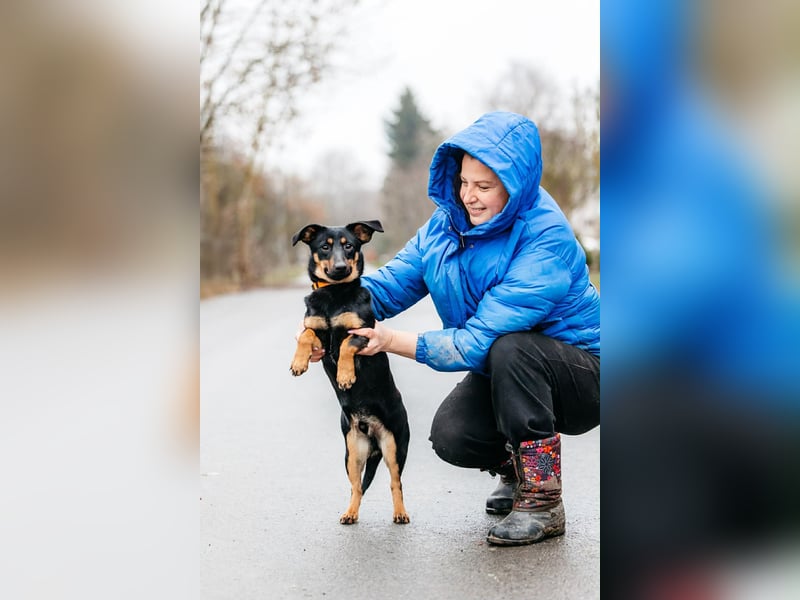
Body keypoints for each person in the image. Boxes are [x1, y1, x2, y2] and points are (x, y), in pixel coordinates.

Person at [310, 111, 600, 546]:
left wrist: (390, 341)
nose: (469, 196)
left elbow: (478, 342)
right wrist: (328, 319)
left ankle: (543, 500)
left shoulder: (545, 239)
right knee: (452, 434)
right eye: (464, 182)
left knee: (512, 347)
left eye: (484, 187)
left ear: (515, 185)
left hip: (584, 375)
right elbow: (385, 288)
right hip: (509, 370)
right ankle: (516, 471)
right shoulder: (443, 228)